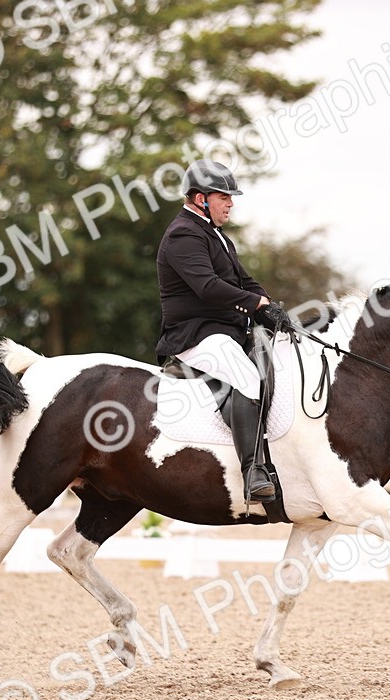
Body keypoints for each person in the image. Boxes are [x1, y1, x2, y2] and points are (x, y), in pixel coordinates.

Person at [154, 159, 292, 501]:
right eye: (223, 196)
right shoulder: (183, 234)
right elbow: (208, 287)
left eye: (231, 197)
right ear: (201, 198)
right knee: (247, 377)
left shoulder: (216, 236)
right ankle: (253, 471)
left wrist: (269, 306)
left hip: (226, 331)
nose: (231, 202)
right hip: (196, 335)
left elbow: (244, 281)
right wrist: (256, 305)